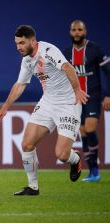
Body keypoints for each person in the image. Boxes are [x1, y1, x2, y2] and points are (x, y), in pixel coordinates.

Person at [0, 25, 88, 195]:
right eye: (16, 44)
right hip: (48, 102)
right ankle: (33, 187)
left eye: (22, 43)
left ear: (32, 40)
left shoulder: (48, 50)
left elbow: (68, 67)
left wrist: (76, 90)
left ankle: (75, 159)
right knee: (27, 143)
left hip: (68, 104)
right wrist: (5, 107)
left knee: (61, 154)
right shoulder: (27, 60)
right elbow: (20, 85)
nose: (19, 47)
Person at [64, 20, 110, 182]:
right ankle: (92, 171)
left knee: (90, 128)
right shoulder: (67, 53)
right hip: (75, 100)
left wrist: (109, 95)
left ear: (85, 31)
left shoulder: (94, 49)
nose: (77, 33)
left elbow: (108, 72)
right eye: (74, 30)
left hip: (93, 96)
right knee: (83, 133)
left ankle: (96, 170)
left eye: (79, 30)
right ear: (70, 32)